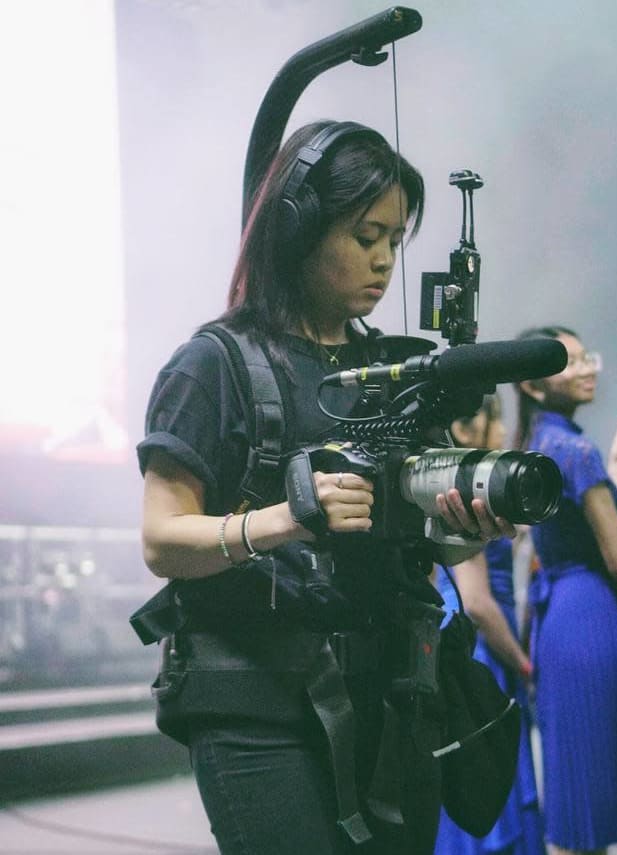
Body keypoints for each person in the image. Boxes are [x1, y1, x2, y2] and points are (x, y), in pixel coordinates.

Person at [136, 120, 514, 855]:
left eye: (395, 240)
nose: (384, 260)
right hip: (255, 706)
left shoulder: (399, 371)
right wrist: (289, 517)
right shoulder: (213, 365)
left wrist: (465, 526)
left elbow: (416, 531)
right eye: (365, 235)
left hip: (391, 694)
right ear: (297, 229)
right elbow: (161, 540)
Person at [514, 325, 617, 855]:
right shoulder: (576, 450)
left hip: (560, 619)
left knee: (579, 793)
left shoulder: (538, 444)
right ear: (532, 385)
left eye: (588, 358)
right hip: (594, 619)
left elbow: (583, 532)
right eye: (571, 362)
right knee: (592, 799)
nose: (587, 369)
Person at [433, 395, 546, 855]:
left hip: (464, 635)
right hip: (483, 647)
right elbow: (477, 601)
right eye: (495, 418)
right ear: (464, 429)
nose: (502, 430)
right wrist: (522, 663)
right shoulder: (464, 492)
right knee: (489, 772)